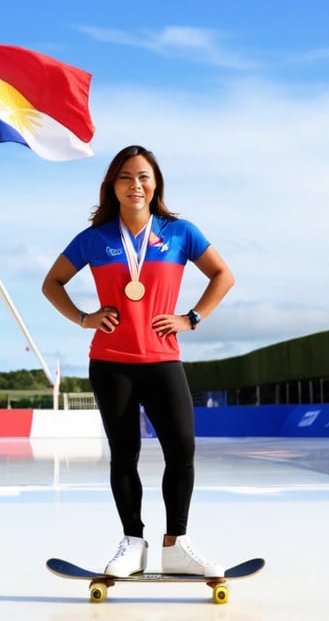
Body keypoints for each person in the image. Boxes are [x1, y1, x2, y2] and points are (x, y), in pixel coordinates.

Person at [42, 144, 235, 578]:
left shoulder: (179, 232)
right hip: (111, 362)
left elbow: (224, 275)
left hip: (163, 358)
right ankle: (132, 543)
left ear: (155, 184)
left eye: (144, 176)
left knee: (181, 449)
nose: (136, 184)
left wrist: (192, 317)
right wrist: (83, 318)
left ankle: (176, 545)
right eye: (126, 176)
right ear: (113, 184)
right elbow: (51, 283)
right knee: (124, 455)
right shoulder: (95, 238)